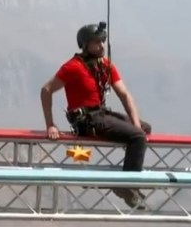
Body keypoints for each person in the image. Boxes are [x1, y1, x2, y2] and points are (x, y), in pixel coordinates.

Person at [39, 22, 152, 209]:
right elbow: (46, 90)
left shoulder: (105, 66)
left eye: (102, 42)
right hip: (87, 120)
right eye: (97, 42)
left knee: (143, 128)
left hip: (100, 114)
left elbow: (124, 94)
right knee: (138, 137)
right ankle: (127, 187)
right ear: (85, 45)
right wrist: (50, 124)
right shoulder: (73, 67)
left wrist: (135, 123)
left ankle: (127, 176)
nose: (101, 46)